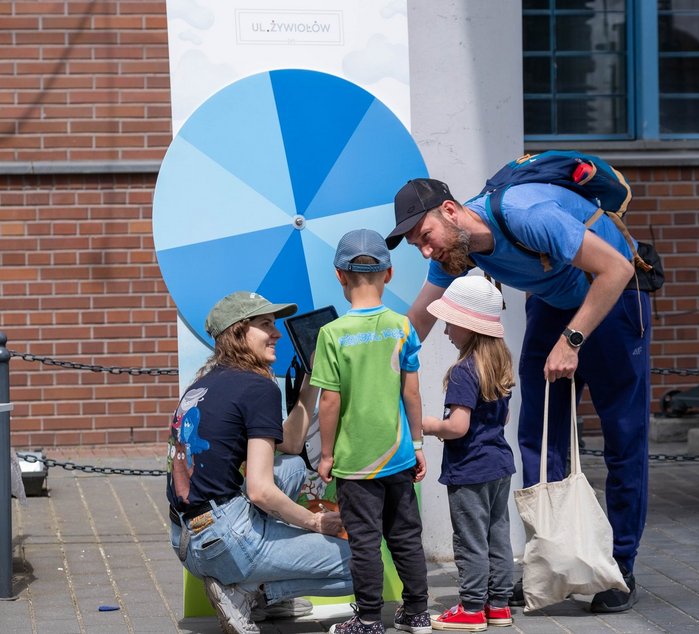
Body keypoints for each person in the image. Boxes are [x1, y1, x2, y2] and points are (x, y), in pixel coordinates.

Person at [386, 176, 649, 613]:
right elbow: (418, 324)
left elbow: (617, 269)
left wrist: (571, 340)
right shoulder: (455, 249)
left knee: (623, 440)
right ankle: (551, 562)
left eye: (425, 237)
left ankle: (621, 567)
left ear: (449, 211)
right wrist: (373, 372)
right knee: (538, 441)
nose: (426, 251)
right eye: (417, 246)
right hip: (553, 302)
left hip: (613, 295)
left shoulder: (526, 215)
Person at [167, 290, 353, 634]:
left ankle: (256, 588)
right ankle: (252, 592)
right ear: (238, 332)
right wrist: (315, 523)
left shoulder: (206, 382)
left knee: (293, 466)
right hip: (225, 541)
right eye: (266, 324)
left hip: (186, 540)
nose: (276, 333)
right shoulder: (257, 387)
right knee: (364, 563)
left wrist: (311, 377)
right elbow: (261, 491)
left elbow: (291, 443)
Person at [311, 228, 432, 634]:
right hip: (398, 454)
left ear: (339, 275)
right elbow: (411, 393)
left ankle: (367, 619)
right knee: (406, 536)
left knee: (364, 540)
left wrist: (326, 455)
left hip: (356, 461)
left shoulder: (332, 334)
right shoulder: (402, 327)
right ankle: (417, 613)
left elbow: (330, 402)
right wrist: (417, 444)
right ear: (389, 273)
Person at [422, 275, 517, 631]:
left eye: (450, 322)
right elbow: (503, 417)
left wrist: (429, 425)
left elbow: (458, 427)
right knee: (497, 536)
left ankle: (473, 608)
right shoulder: (499, 364)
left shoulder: (464, 371)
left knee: (470, 539)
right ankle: (499, 605)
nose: (446, 330)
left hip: (470, 470)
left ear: (468, 325)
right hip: (499, 466)